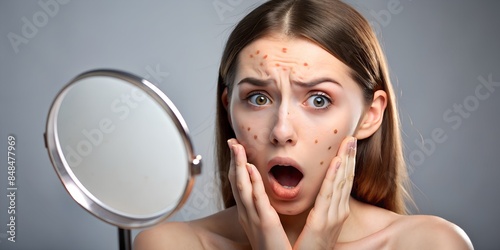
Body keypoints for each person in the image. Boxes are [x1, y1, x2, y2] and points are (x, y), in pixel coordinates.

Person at [134, 0, 473, 249]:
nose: (282, 131)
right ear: (228, 109)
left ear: (370, 114)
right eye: (258, 98)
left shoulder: (430, 244)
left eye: (319, 99)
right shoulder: (169, 244)